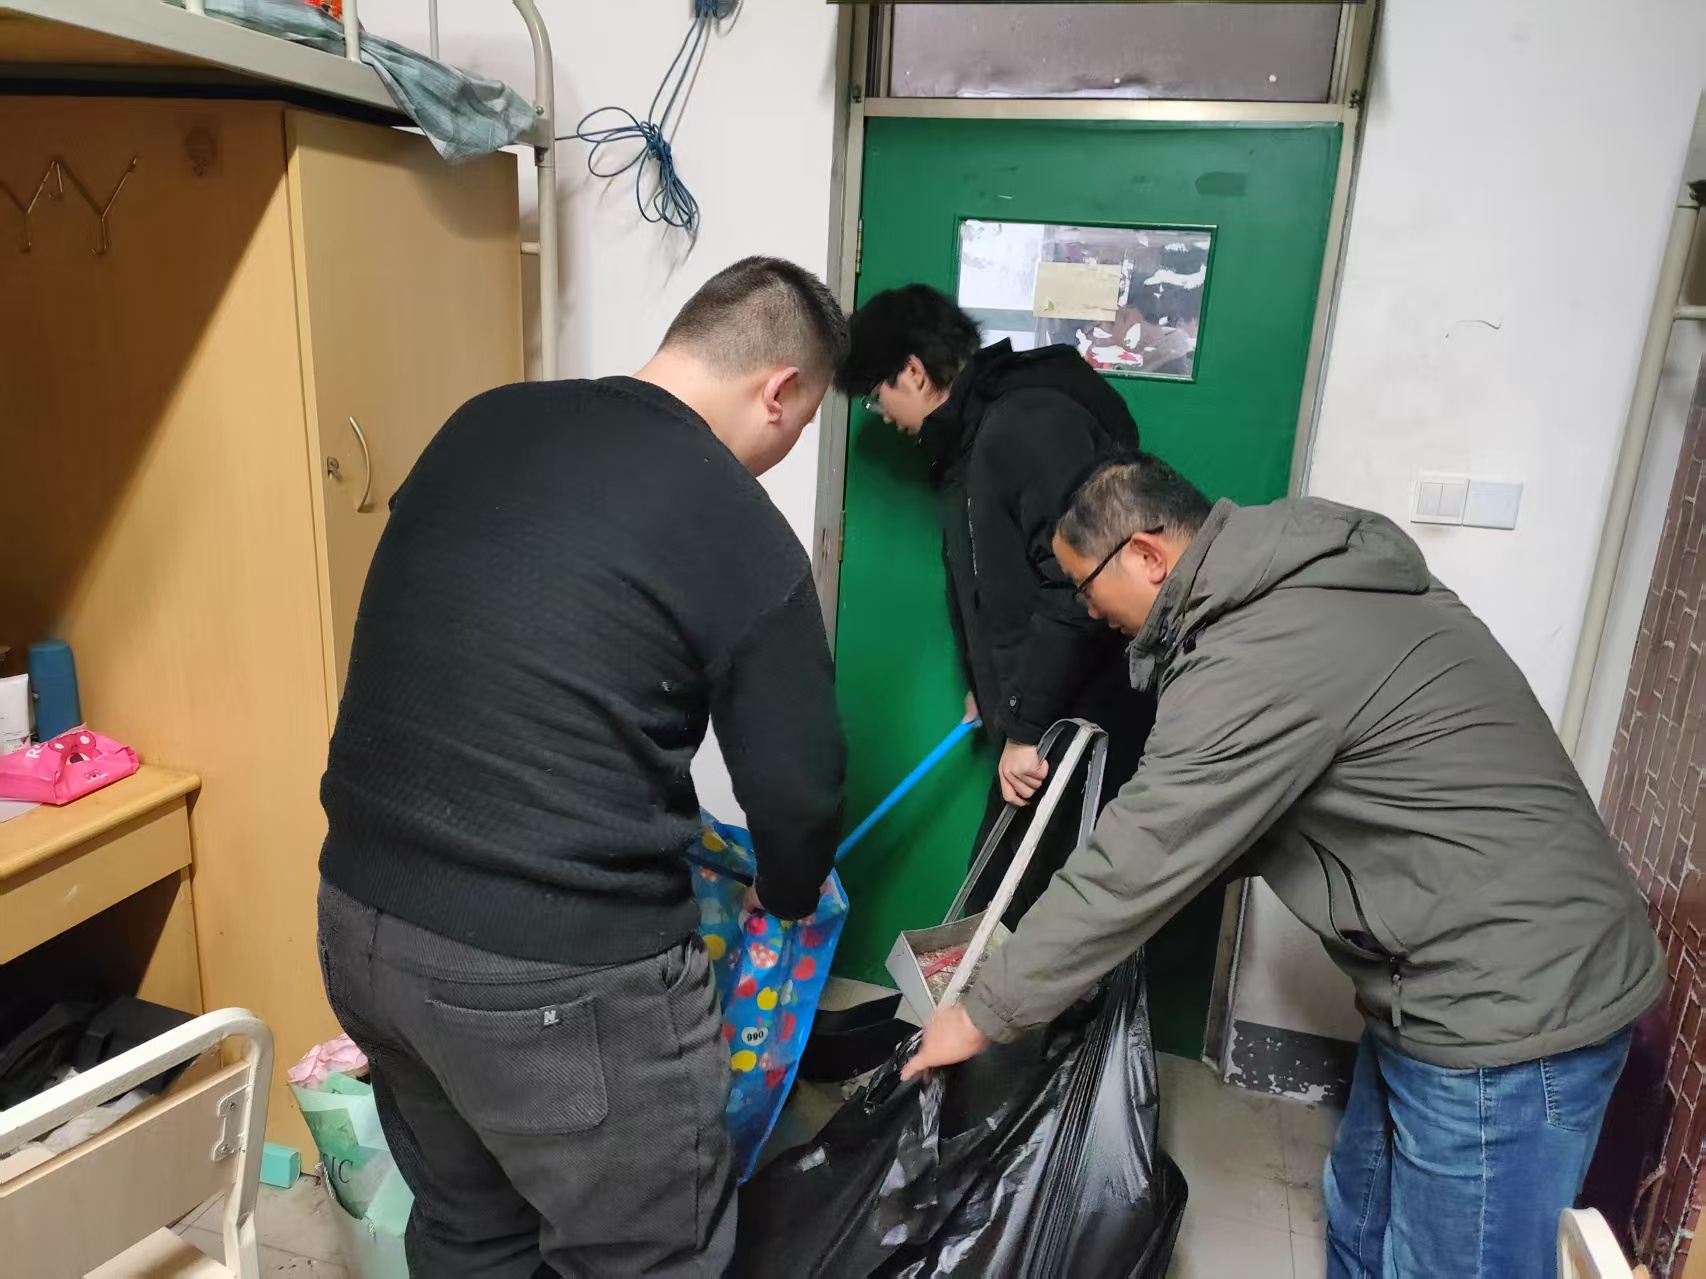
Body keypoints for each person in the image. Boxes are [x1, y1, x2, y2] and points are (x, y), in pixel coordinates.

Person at [904, 454, 1666, 1279]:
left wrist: (982, 1010)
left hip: (1511, 1008)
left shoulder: (1259, 648)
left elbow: (1144, 853)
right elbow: (1199, 835)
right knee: (1360, 1221)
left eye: (1085, 584)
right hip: (1442, 986)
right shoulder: (1300, 586)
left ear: (1148, 555)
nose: (1086, 609)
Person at [316, 257, 848, 1279]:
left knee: (470, 1225)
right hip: (550, 974)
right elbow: (799, 789)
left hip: (362, 918)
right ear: (779, 390)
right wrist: (784, 893)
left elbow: (494, 644)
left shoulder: (485, 422)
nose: (785, 448)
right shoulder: (734, 520)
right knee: (646, 1254)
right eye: (804, 419)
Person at [836, 284, 1153, 920]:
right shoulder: (972, 439)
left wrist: (1028, 726)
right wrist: (988, 683)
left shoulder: (1027, 427)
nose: (882, 414)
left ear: (913, 372)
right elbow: (996, 574)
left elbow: (1080, 587)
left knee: (1008, 912)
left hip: (1078, 718)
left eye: (875, 395)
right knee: (1006, 906)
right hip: (1042, 711)